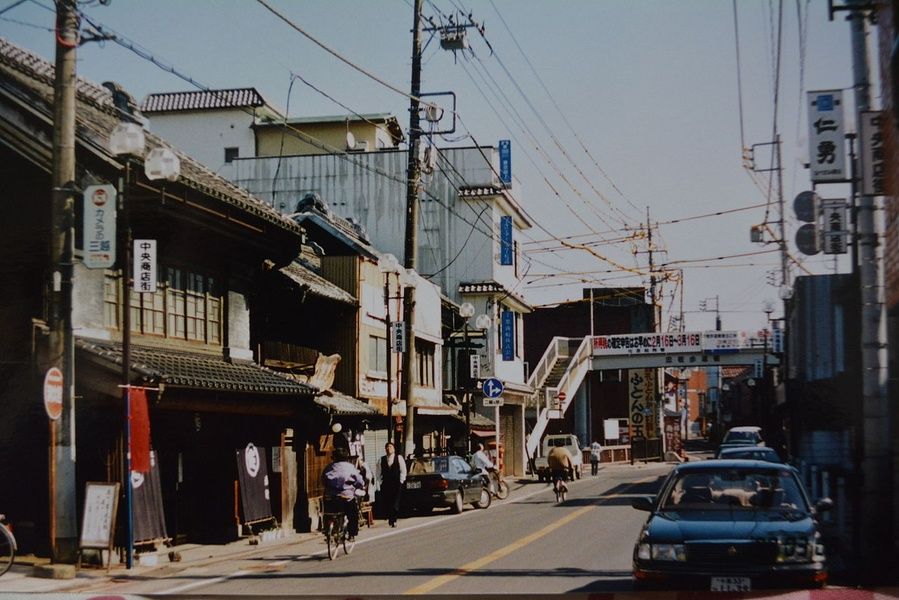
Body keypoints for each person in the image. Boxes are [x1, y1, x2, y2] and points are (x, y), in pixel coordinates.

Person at [321, 447, 365, 540]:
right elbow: (359, 481)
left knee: (329, 514)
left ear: (334, 457)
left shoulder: (329, 467)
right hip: (346, 496)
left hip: (331, 497)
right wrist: (359, 486)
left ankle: (327, 529)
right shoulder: (350, 467)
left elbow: (323, 480)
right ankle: (352, 534)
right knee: (353, 513)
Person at [379, 441, 406, 527]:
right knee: (388, 501)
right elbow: (378, 472)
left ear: (393, 448)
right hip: (386, 483)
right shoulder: (382, 459)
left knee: (395, 502)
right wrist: (380, 481)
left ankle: (394, 519)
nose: (388, 449)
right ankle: (391, 519)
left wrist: (401, 481)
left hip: (396, 482)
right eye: (387, 447)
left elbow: (403, 470)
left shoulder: (399, 458)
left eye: (390, 447)